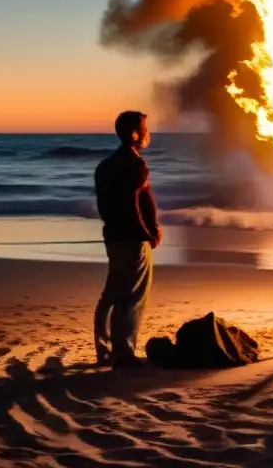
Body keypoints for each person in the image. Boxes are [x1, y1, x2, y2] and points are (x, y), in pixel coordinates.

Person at [93, 111, 161, 368]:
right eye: (145, 128)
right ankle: (124, 352)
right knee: (132, 295)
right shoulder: (135, 165)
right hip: (131, 239)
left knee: (112, 292)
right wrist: (145, 232)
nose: (148, 133)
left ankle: (104, 349)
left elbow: (105, 205)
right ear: (134, 134)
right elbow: (133, 203)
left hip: (113, 236)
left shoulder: (106, 165)